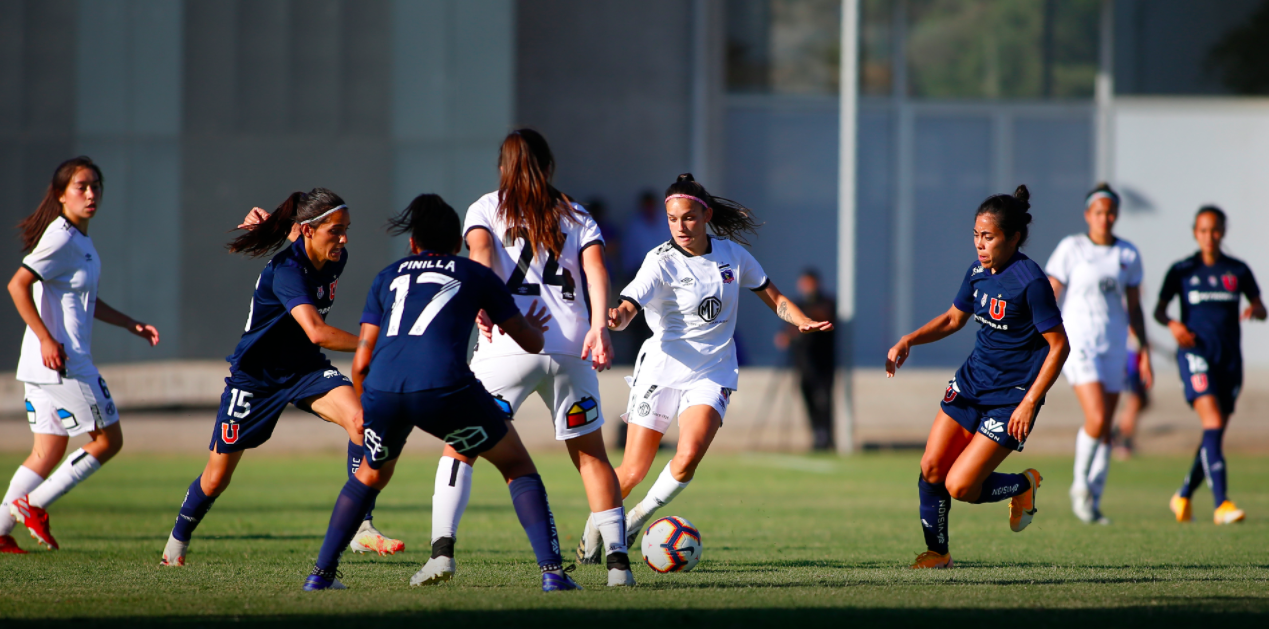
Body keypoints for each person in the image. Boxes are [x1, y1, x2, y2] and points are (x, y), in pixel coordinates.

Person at [302, 194, 581, 592]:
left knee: (368, 476)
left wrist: (364, 407)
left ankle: (321, 576)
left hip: (383, 388)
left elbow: (362, 359)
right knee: (516, 465)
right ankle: (553, 573)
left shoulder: (387, 276)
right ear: (457, 245)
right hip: (443, 387)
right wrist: (534, 326)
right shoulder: (473, 273)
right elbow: (532, 343)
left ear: (413, 243)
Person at [414, 129, 634, 588]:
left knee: (461, 448)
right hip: (571, 348)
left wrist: (483, 303)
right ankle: (618, 568)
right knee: (591, 457)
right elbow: (596, 268)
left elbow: (479, 256)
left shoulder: (485, 207)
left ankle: (441, 555)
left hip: (507, 345)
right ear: (549, 166)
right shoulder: (577, 213)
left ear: (502, 168)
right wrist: (597, 327)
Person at [583, 173, 833, 553]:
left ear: (705, 216)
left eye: (688, 218)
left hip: (712, 371)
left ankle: (637, 517)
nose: (680, 227)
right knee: (633, 471)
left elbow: (776, 297)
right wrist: (616, 317)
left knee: (686, 458)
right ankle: (594, 526)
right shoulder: (659, 262)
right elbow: (630, 306)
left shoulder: (733, 255)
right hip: (661, 370)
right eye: (672, 219)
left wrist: (801, 320)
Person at [158, 188, 403, 567]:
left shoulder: (329, 254)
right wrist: (376, 343)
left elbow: (294, 235)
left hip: (305, 369)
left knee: (361, 422)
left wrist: (272, 223)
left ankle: (361, 528)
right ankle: (177, 542)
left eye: (346, 229)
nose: (344, 239)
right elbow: (318, 332)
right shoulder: (286, 271)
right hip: (255, 379)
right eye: (336, 231)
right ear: (309, 230)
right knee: (216, 478)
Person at [887, 185, 1069, 569]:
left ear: (1013, 237)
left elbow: (1059, 346)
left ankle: (1024, 484)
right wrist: (909, 340)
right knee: (932, 468)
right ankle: (939, 554)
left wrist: (1029, 402)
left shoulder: (1031, 282)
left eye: (988, 237)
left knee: (961, 486)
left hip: (1011, 399)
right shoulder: (977, 272)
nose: (979, 245)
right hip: (970, 386)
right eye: (976, 235)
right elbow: (954, 319)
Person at [0, 156, 160, 554]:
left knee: (48, 449)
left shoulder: (79, 240)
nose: (91, 194)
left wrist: (129, 324)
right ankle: (32, 504)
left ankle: (1, 529)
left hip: (41, 367)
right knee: (109, 440)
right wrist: (46, 339)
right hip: (63, 363)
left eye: (95, 186)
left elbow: (83, 298)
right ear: (60, 195)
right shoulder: (60, 237)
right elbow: (17, 286)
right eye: (81, 187)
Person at [1044, 183, 1152, 524]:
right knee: (1096, 418)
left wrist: (1144, 348)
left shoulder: (1128, 254)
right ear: (1088, 215)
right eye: (1099, 212)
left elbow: (1134, 309)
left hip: (1114, 344)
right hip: (1078, 343)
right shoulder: (1071, 248)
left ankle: (1093, 499)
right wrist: (1038, 334)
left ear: (1116, 215)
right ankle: (1079, 486)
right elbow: (1049, 294)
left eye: (1110, 212)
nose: (1105, 218)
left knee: (1106, 428)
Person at [1157, 206, 1264, 525]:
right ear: (1195, 233)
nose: (1209, 236)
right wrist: (1173, 325)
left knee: (1213, 434)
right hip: (1195, 355)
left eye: (1215, 230)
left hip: (1229, 359)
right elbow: (1159, 311)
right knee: (1213, 422)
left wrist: (1256, 310)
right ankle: (1222, 504)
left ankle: (1184, 494)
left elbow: (1260, 305)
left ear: (1223, 232)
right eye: (1203, 230)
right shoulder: (1182, 270)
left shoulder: (1238, 270)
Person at [774, 268, 838, 451]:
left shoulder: (827, 302)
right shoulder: (797, 303)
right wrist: (785, 336)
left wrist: (803, 320)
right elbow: (786, 327)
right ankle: (817, 435)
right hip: (803, 362)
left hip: (824, 361)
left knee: (824, 399)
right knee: (807, 397)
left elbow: (823, 315)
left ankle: (827, 436)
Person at [1112, 329, 1150, 460]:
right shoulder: (1127, 309)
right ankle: (1124, 440)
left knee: (1144, 402)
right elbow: (1131, 331)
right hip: (1132, 361)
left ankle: (1115, 432)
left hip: (1136, 359)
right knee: (1134, 402)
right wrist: (1143, 344)